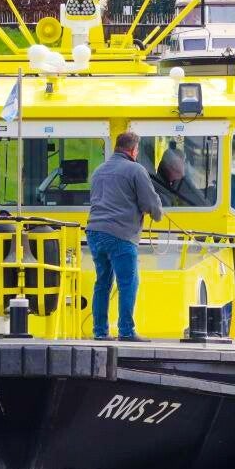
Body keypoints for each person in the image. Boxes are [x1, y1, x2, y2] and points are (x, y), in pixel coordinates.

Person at [87, 131, 163, 341]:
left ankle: (100, 332)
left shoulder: (99, 170)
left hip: (94, 232)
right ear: (133, 150)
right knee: (128, 282)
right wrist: (157, 214)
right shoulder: (136, 170)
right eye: (137, 150)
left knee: (102, 282)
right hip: (120, 234)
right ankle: (126, 331)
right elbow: (150, 204)